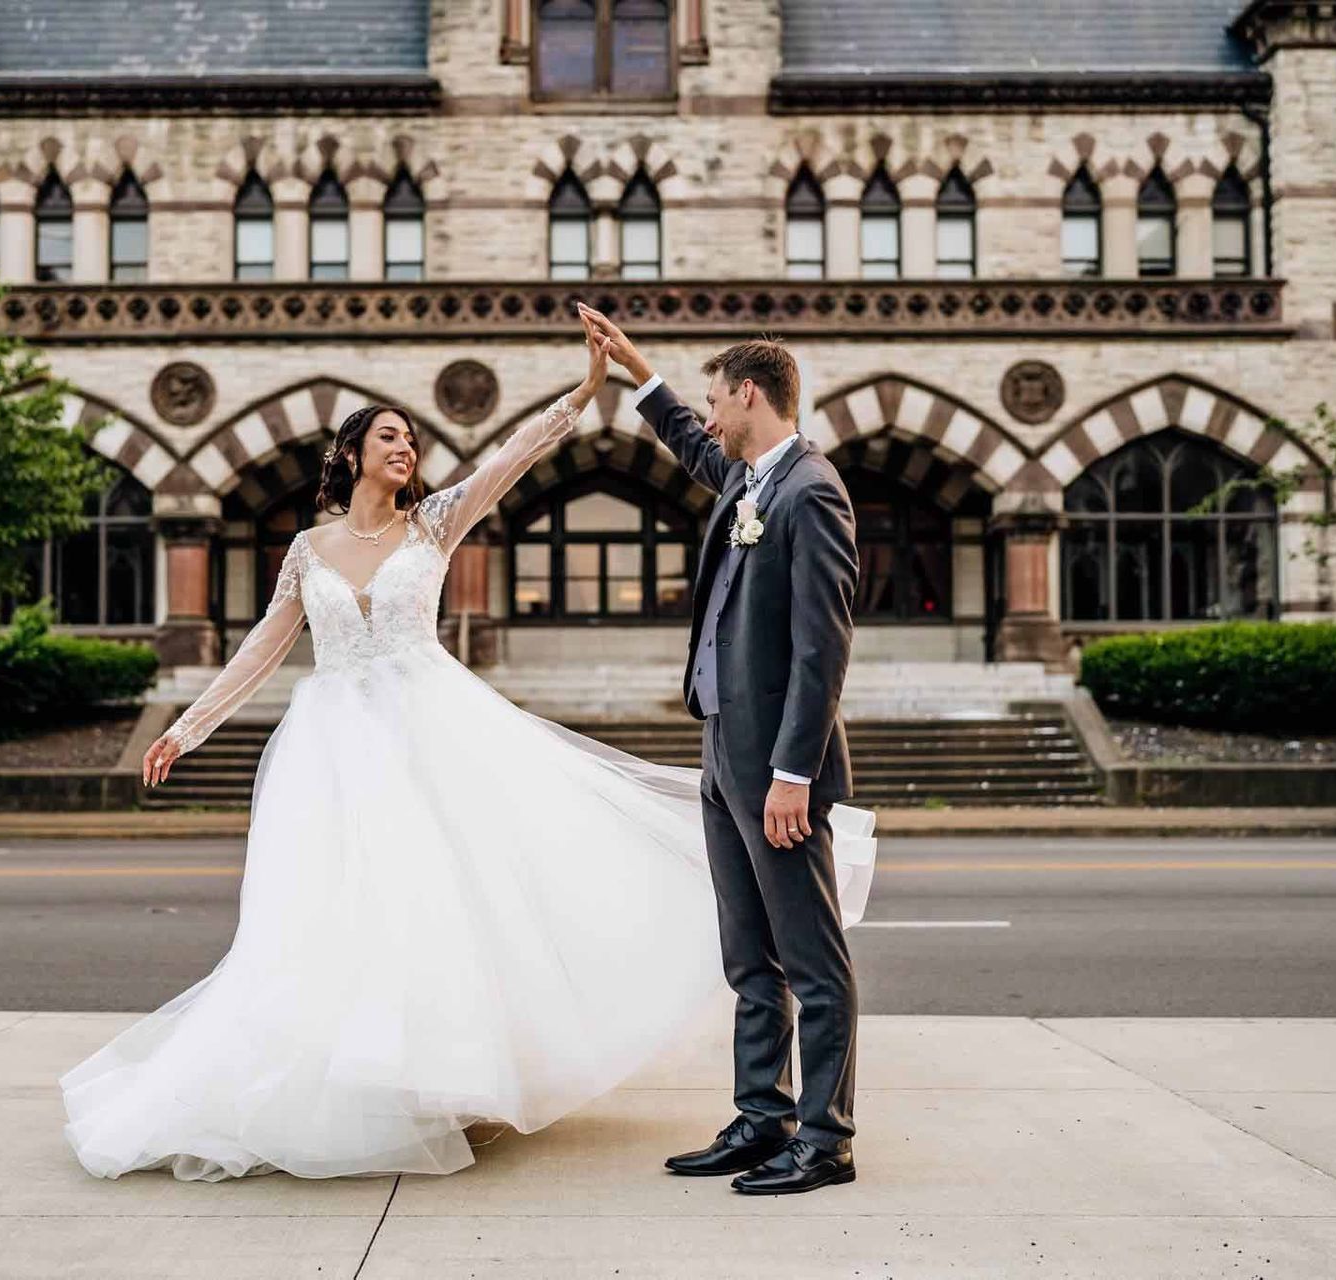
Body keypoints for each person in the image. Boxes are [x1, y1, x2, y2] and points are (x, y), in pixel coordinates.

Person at [59, 315, 876, 1183]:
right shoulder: (307, 551)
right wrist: (187, 728)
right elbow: (262, 646)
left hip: (447, 734)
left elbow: (510, 461)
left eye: (412, 437)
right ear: (349, 457)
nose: (406, 448)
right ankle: (759, 1117)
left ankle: (818, 1138)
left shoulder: (438, 526)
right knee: (342, 922)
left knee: (459, 910)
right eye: (390, 437)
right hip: (339, 753)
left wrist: (581, 396)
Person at [578, 304, 862, 1196]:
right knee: (748, 956)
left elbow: (823, 648)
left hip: (774, 768)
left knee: (811, 962)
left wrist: (792, 774)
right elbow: (698, 453)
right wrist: (639, 373)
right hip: (719, 752)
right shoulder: (751, 482)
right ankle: (762, 1115)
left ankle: (826, 1140)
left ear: (749, 393)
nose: (707, 418)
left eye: (712, 401)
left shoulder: (809, 490)